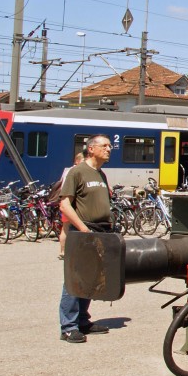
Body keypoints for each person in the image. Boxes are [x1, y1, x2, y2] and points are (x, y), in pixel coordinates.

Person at [58, 135, 114, 344]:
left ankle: (82, 320)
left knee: (90, 279)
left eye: (110, 146)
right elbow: (65, 205)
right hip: (83, 233)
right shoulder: (77, 172)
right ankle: (68, 327)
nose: (109, 149)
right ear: (91, 149)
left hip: (99, 232)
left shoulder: (100, 174)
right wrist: (82, 229)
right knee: (75, 280)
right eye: (105, 146)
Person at [56, 152, 85, 260]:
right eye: (82, 161)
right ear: (76, 161)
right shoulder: (74, 172)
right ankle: (66, 251)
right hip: (70, 203)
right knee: (67, 227)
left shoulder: (68, 171)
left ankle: (63, 251)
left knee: (66, 228)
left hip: (67, 202)